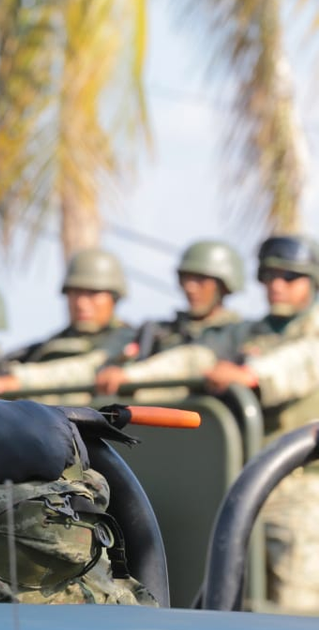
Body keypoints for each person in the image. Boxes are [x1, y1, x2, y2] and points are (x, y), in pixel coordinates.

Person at [95, 235, 319, 614]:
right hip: (243, 480)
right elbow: (195, 359)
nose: (276, 285)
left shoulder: (310, 334)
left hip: (301, 490)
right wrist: (135, 378)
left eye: (289, 276)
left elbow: (297, 364)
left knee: (295, 603)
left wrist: (249, 374)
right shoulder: (249, 332)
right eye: (268, 276)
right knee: (229, 597)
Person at [0, 248, 135, 402]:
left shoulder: (125, 338)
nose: (81, 303)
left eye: (93, 293)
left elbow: (88, 368)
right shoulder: (50, 344)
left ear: (114, 297)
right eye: (75, 292)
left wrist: (19, 380)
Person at [93, 240, 245, 397]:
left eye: (201, 279)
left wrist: (129, 377)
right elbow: (106, 362)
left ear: (224, 286)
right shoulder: (157, 331)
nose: (190, 287)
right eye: (185, 278)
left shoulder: (241, 332)